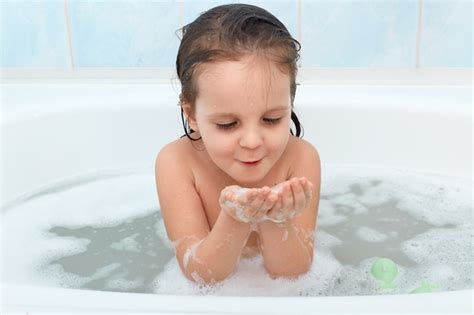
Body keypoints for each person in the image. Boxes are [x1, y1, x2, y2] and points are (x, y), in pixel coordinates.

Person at [155, 3, 321, 284]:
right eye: (227, 125)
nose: (253, 141)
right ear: (192, 114)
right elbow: (201, 274)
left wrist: (274, 219)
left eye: (271, 119)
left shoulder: (301, 158)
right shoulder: (177, 163)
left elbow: (292, 272)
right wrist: (235, 217)